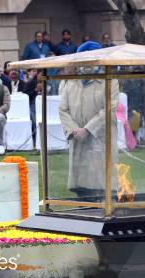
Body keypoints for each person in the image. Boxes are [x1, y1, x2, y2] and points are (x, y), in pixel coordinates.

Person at [59, 41, 119, 199]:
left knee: (102, 185)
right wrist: (74, 130)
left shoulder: (110, 81)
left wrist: (88, 129)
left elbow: (109, 109)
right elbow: (62, 110)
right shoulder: (69, 81)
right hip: (78, 140)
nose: (85, 64)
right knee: (82, 189)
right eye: (82, 59)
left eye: (90, 59)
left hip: (100, 139)